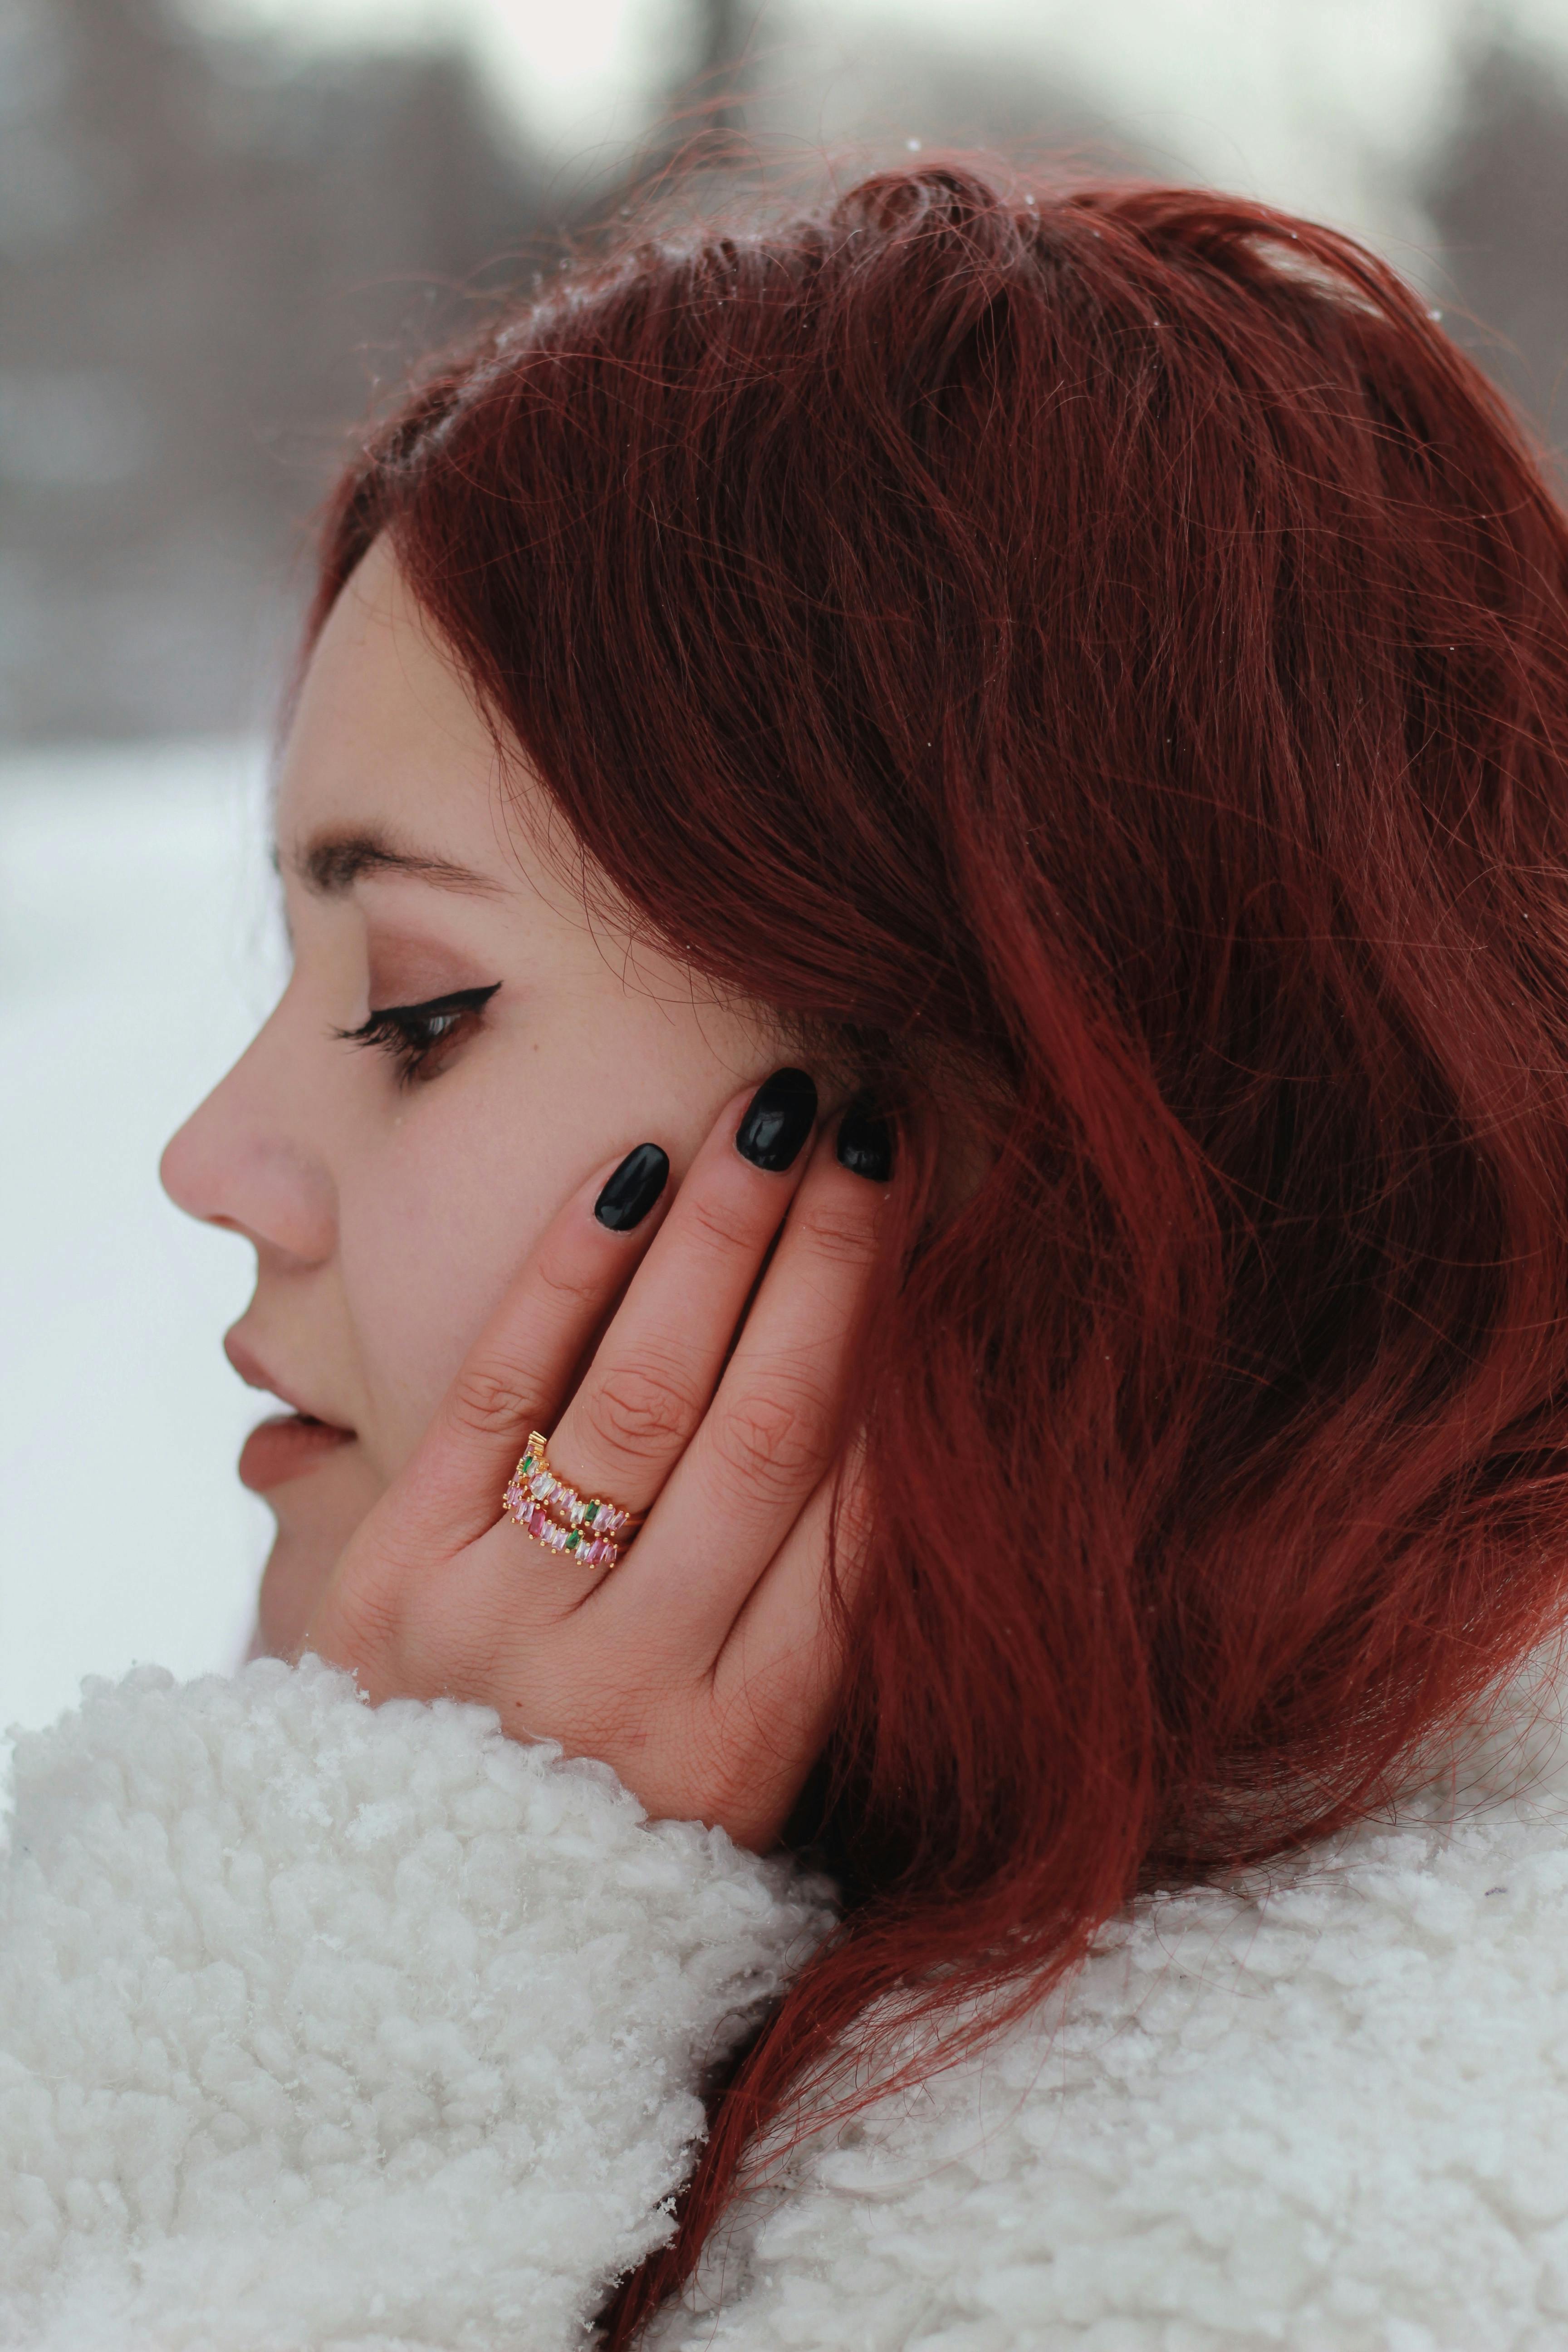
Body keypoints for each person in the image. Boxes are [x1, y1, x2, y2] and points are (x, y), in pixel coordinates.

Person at [8, 161, 1568, 2348]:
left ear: (1019, 1129)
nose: (207, 1161)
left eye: (415, 1009)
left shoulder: (1302, 2258)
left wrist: (353, 2034)